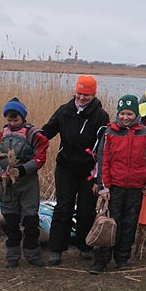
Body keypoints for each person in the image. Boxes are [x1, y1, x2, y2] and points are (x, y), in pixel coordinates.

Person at [42, 75, 110, 266]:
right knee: (63, 206)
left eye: (86, 95)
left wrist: (100, 176)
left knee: (87, 208)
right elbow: (47, 131)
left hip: (89, 169)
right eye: (79, 94)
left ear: (93, 95)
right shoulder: (64, 110)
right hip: (65, 167)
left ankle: (85, 246)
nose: (81, 98)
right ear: (74, 92)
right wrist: (29, 137)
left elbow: (104, 146)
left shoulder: (101, 115)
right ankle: (56, 248)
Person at [92, 95, 146, 273]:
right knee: (111, 223)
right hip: (114, 187)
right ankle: (101, 260)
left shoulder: (145, 133)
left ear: (136, 114)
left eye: (130, 114)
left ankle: (122, 258)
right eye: (122, 114)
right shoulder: (110, 133)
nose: (125, 117)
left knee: (130, 224)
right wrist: (103, 186)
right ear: (118, 113)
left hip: (136, 187)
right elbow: (103, 160)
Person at [0, 98, 49, 268]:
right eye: (9, 119)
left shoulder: (33, 134)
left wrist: (21, 170)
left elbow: (40, 157)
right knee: (10, 220)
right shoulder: (2, 135)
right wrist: (1, 175)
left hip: (28, 183)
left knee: (30, 220)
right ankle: (12, 254)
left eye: (16, 119)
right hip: (7, 184)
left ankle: (32, 253)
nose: (12, 122)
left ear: (22, 117)